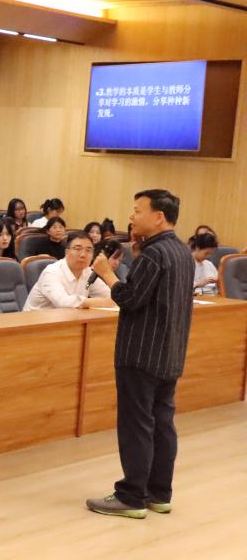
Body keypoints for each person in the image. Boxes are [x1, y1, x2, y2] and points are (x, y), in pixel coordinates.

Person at [86, 190, 194, 519]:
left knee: (136, 424)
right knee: (162, 423)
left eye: (137, 210)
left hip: (141, 354)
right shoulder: (181, 251)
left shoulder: (154, 254)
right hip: (169, 352)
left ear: (158, 217)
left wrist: (107, 273)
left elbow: (131, 300)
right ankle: (158, 494)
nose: (132, 217)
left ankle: (131, 495)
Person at [24, 233, 113, 311]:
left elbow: (109, 295)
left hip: (68, 319)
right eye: (77, 249)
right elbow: (63, 302)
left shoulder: (88, 272)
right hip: (35, 321)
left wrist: (110, 300)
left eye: (88, 250)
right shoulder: (51, 272)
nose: (83, 255)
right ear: (67, 252)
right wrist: (104, 302)